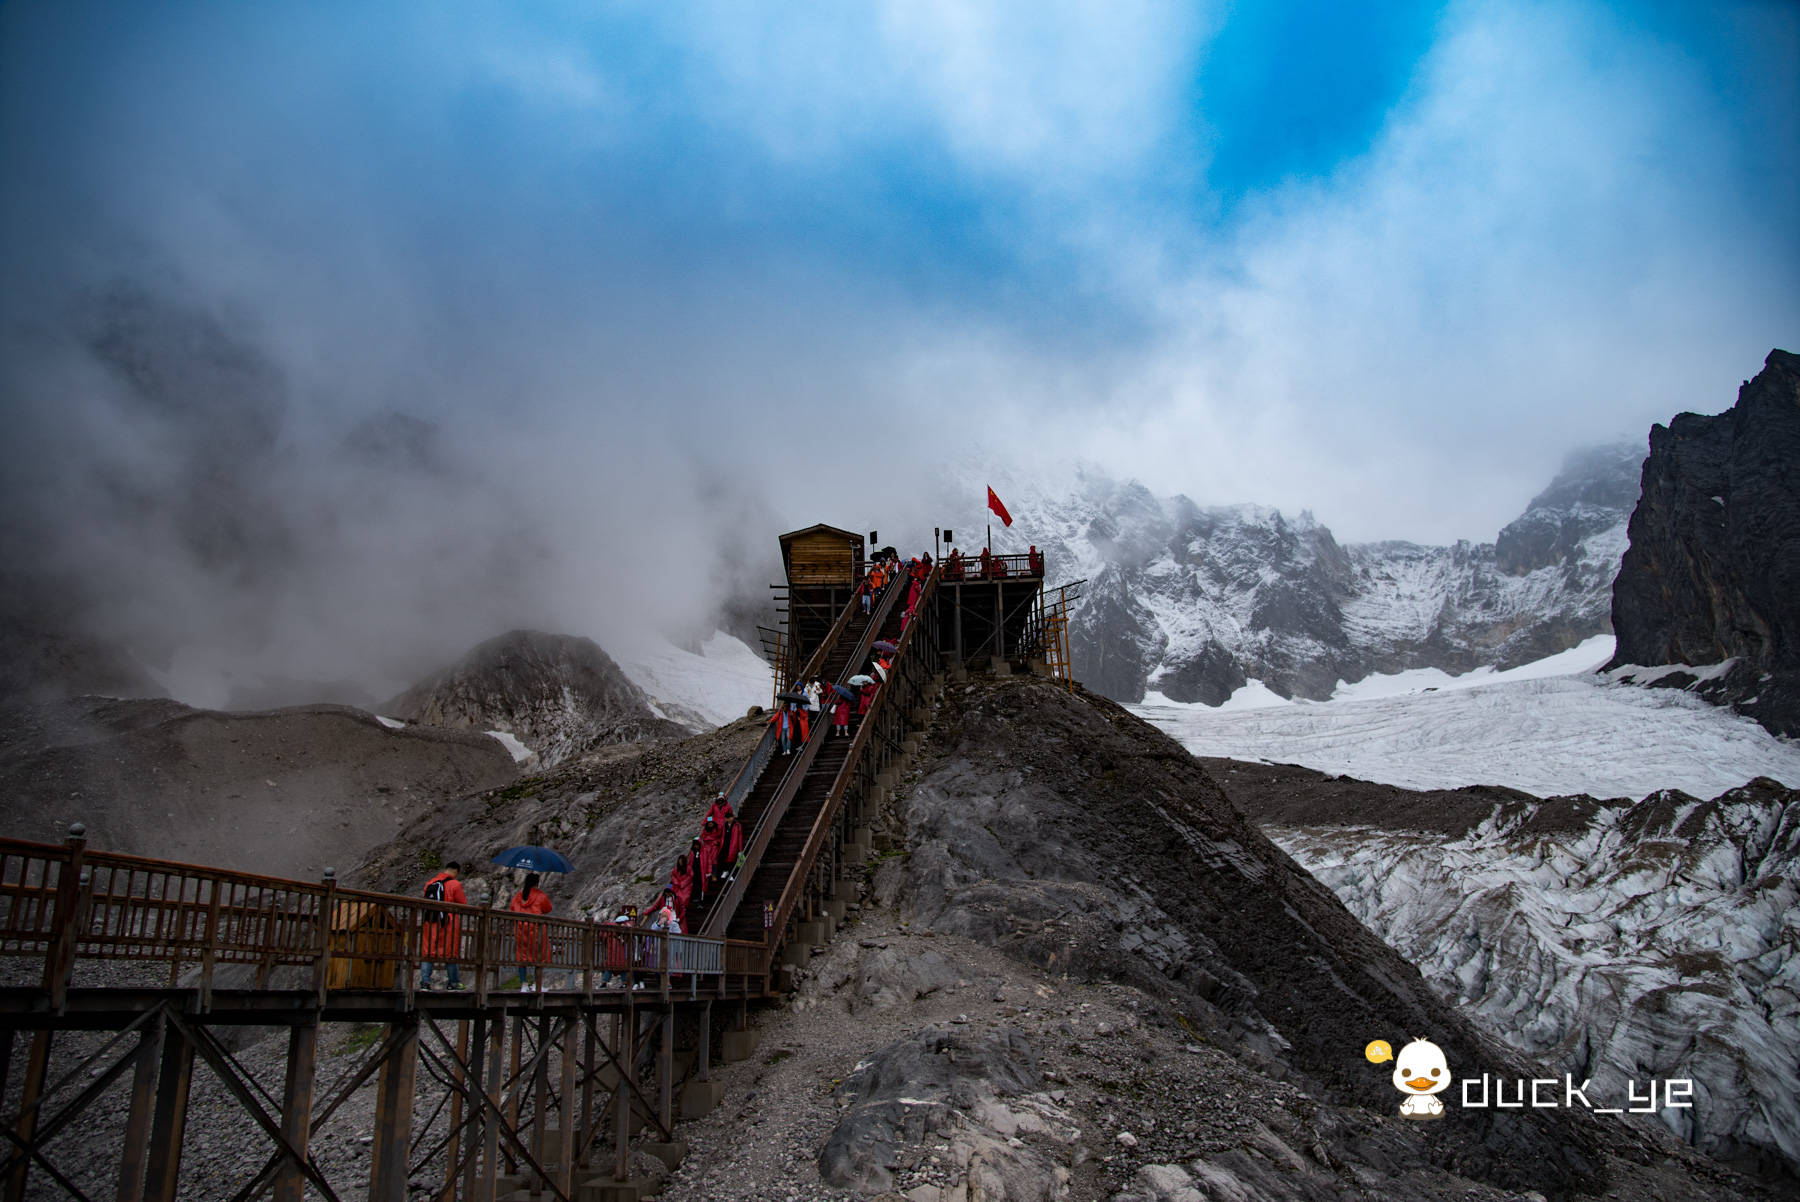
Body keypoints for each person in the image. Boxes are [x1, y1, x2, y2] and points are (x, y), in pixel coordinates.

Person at [420, 862, 466, 991]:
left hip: (430, 921)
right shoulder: (455, 885)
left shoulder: (430, 883)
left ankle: (425, 982)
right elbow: (462, 902)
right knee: (450, 952)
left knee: (428, 950)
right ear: (456, 871)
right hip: (448, 922)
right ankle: (454, 982)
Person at [509, 872, 553, 991]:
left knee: (522, 956)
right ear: (537, 883)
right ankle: (536, 983)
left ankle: (523, 984)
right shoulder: (540, 896)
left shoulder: (518, 896)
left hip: (521, 930)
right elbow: (548, 908)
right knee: (539, 955)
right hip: (537, 930)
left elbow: (512, 908)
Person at [717, 812, 745, 884]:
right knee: (723, 858)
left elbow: (740, 837)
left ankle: (731, 874)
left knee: (731, 860)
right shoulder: (724, 825)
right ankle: (725, 871)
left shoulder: (737, 825)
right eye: (728, 818)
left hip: (733, 844)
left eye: (731, 817)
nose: (730, 819)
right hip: (725, 844)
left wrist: (740, 848)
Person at [669, 850, 695, 926]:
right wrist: (676, 882)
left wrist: (683, 883)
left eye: (681, 861)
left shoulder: (688, 868)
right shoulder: (676, 869)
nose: (680, 862)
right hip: (677, 886)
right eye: (679, 861)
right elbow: (672, 875)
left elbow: (690, 877)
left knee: (683, 898)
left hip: (685, 886)